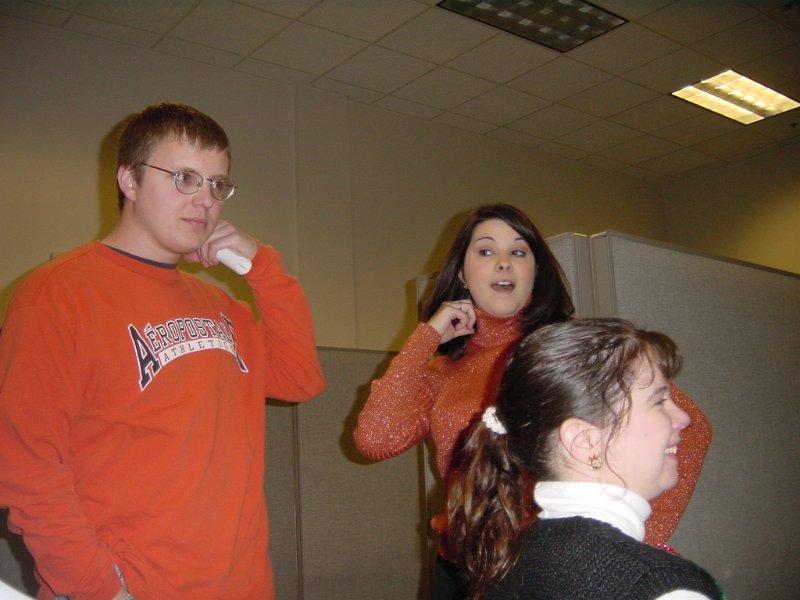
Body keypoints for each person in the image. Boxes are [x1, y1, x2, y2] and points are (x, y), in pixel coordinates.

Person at [0, 103, 325, 599]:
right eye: (184, 178)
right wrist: (102, 589)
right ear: (129, 180)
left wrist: (262, 266)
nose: (205, 200)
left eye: (217, 184)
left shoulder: (222, 307)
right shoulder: (57, 294)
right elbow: (28, 469)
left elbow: (299, 378)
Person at [352, 204, 711, 599]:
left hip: (545, 564)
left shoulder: (569, 352)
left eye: (519, 252)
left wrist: (627, 540)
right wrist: (427, 336)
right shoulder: (442, 371)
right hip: (458, 567)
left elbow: (690, 428)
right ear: (462, 274)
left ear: (535, 271)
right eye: (486, 251)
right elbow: (375, 438)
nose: (503, 262)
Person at [448, 318, 725, 600]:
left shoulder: (509, 567)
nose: (683, 418)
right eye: (659, 401)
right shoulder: (663, 588)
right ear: (586, 442)